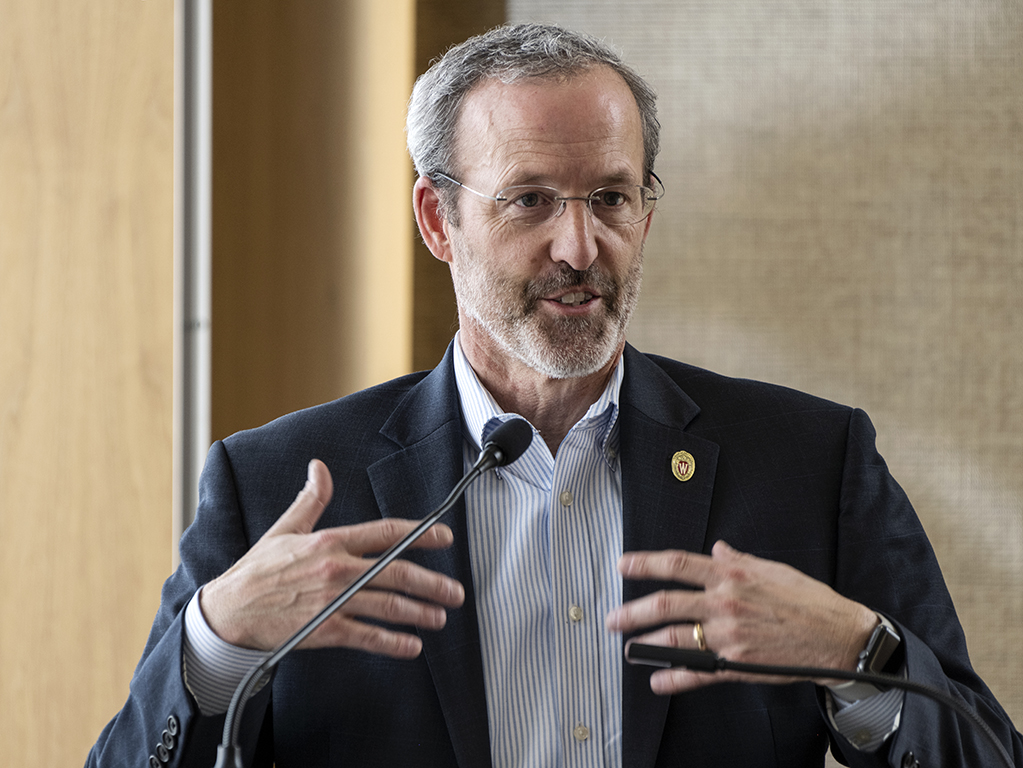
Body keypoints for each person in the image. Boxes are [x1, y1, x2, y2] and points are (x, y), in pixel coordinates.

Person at [88, 22, 1021, 768]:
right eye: (529, 200)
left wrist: (859, 653)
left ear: (644, 212)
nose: (579, 248)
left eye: (610, 198)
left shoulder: (807, 466)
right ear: (437, 220)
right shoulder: (274, 486)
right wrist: (214, 648)